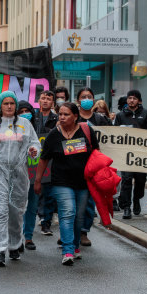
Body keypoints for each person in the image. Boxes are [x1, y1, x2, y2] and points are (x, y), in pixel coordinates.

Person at [0, 91, 40, 267]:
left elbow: (34, 143)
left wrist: (33, 150)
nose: (9, 106)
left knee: (15, 211)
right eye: (5, 103)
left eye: (12, 103)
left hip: (19, 173)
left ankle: (14, 244)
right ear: (0, 106)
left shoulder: (25, 124)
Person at [34, 102, 99, 265]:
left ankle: (75, 245)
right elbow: (44, 159)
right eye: (60, 114)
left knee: (78, 217)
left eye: (66, 114)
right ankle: (68, 250)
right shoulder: (54, 135)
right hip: (61, 182)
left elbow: (97, 154)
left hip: (83, 183)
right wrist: (38, 180)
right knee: (68, 212)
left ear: (75, 116)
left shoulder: (86, 131)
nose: (62, 117)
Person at [76, 87, 110, 247]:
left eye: (89, 96)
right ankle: (68, 232)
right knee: (71, 201)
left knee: (89, 201)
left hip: (94, 167)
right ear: (78, 100)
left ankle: (83, 231)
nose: (87, 99)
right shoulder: (73, 118)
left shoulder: (101, 119)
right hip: (75, 166)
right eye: (83, 97)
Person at [114, 90, 147, 219]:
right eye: (129, 98)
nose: (132, 100)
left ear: (139, 101)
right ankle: (126, 207)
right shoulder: (120, 115)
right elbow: (115, 133)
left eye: (134, 98)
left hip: (141, 155)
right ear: (127, 100)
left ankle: (137, 199)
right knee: (126, 180)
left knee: (140, 180)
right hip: (126, 154)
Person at [33, 91, 59, 237]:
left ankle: (45, 222)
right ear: (38, 100)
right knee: (35, 190)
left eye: (49, 99)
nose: (45, 101)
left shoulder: (56, 118)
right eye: (43, 98)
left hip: (49, 159)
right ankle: (36, 213)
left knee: (47, 191)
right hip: (32, 159)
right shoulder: (32, 117)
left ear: (52, 103)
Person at [17, 100, 41, 251]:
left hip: (36, 172)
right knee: (17, 207)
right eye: (21, 111)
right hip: (18, 173)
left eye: (28, 110)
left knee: (32, 205)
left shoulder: (39, 127)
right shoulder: (11, 127)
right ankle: (16, 237)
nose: (25, 114)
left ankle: (28, 237)